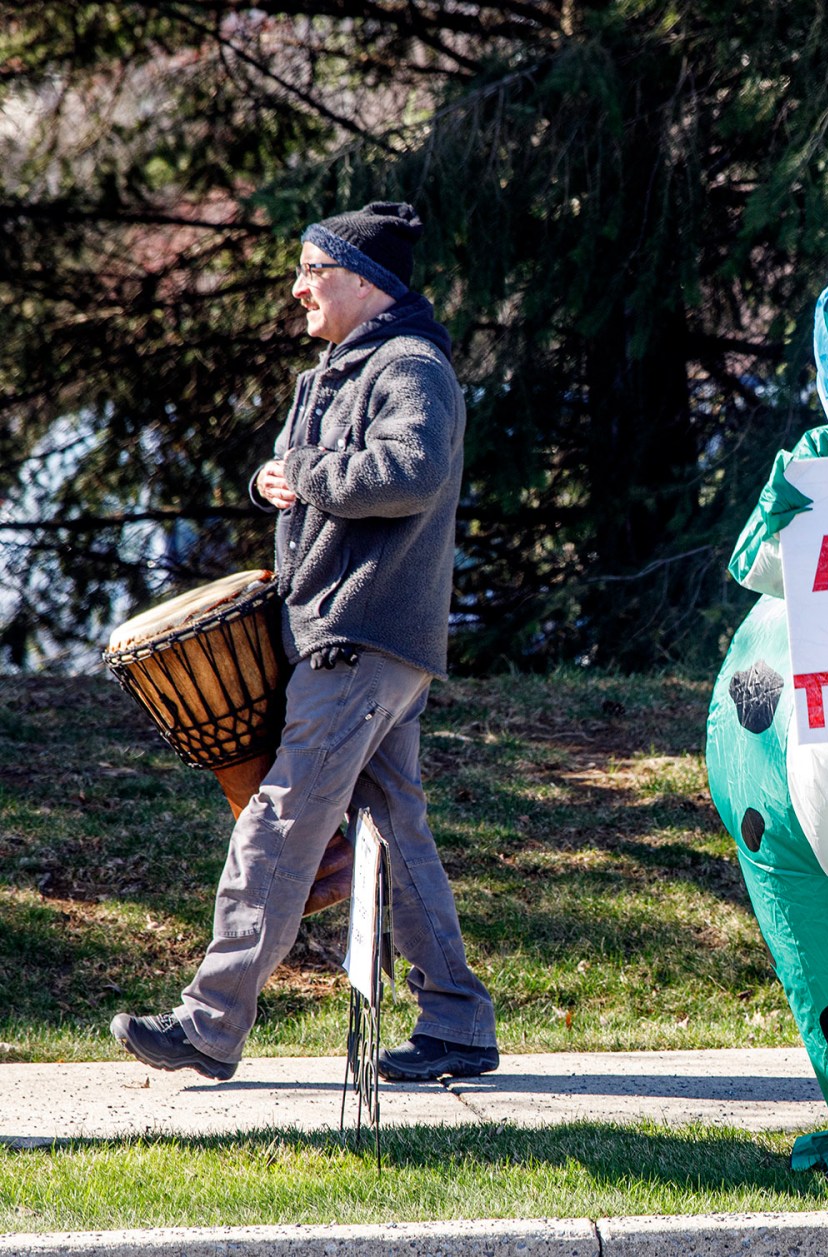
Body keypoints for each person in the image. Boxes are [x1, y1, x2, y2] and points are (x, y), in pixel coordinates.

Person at [111, 202, 498, 1083]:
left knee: (278, 821)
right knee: (396, 827)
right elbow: (300, 467)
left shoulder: (410, 364)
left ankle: (210, 1024)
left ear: (365, 281)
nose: (297, 290)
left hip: (361, 633)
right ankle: (459, 1021)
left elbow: (414, 468)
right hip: (353, 635)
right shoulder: (344, 366)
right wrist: (271, 478)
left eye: (311, 272)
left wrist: (309, 475)